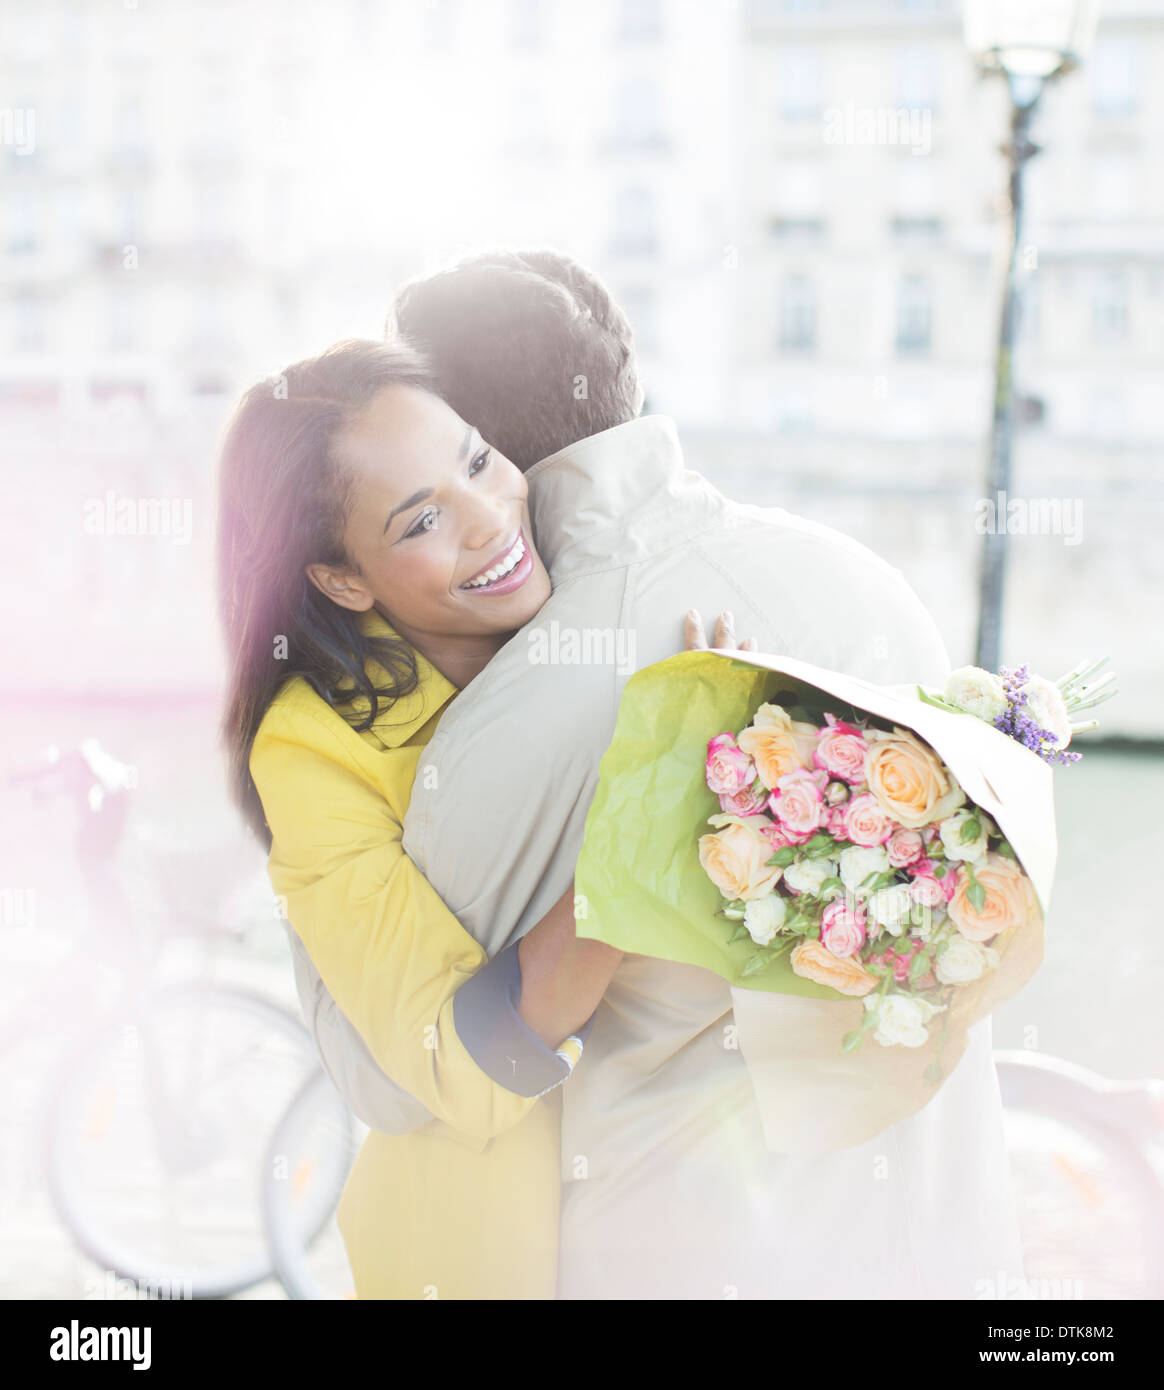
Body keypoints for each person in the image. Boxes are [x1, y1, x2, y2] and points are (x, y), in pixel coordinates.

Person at [298, 249, 1026, 1299]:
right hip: (940, 1244)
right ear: (624, 369)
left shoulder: (513, 724)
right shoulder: (867, 583)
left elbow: (396, 1076)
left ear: (468, 439)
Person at [216, 337, 745, 1298]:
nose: (492, 519)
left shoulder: (598, 602)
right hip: (481, 1250)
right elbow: (466, 1052)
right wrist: (654, 813)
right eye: (422, 520)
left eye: (473, 459)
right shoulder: (313, 750)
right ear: (342, 580)